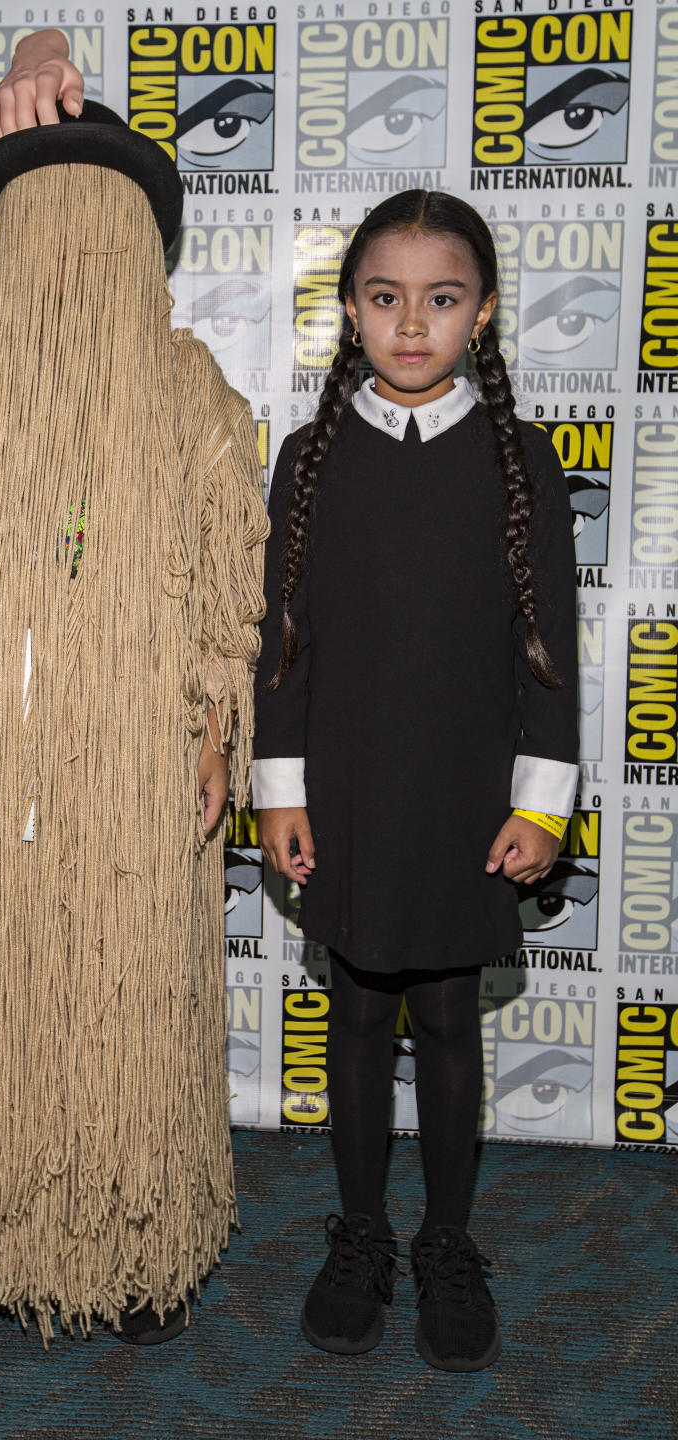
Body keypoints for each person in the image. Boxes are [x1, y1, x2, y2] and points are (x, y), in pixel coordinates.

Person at [0, 102, 267, 1343]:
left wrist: (211, 728)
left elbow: (229, 587)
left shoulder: (189, 392)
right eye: (49, 217)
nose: (77, 246)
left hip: (132, 770)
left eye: (107, 218)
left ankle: (139, 1241)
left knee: (131, 999)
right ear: (4, 239)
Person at [252, 192, 578, 1373]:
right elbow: (279, 644)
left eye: (441, 300)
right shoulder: (312, 456)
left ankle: (446, 1240)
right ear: (349, 311)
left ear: (480, 316)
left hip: (465, 795)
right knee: (356, 1012)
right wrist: (278, 791)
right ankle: (362, 1240)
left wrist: (540, 804)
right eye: (384, 299)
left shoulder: (522, 462)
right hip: (345, 793)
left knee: (447, 1018)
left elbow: (550, 653)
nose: (410, 324)